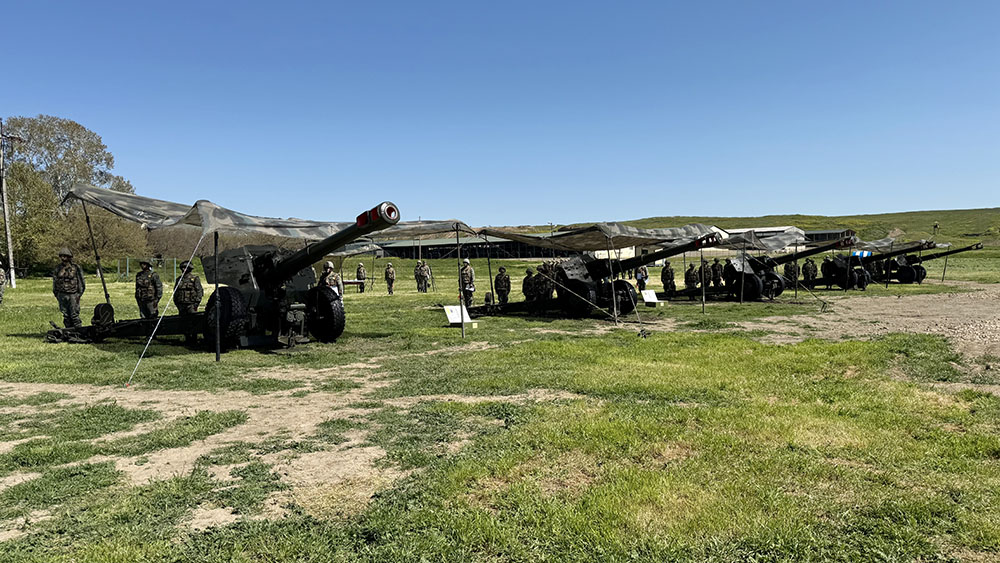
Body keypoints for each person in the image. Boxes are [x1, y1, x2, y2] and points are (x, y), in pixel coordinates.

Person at [53, 247, 85, 328]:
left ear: (69, 257)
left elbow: (81, 281)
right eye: (62, 256)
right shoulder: (58, 268)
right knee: (66, 315)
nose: (63, 258)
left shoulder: (76, 268)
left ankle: (79, 331)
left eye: (65, 256)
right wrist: (57, 294)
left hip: (73, 294)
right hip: (62, 294)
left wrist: (79, 294)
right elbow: (55, 281)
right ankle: (68, 330)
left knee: (74, 315)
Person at [174, 260, 204, 344]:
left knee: (193, 321)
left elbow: (199, 291)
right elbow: (175, 292)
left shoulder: (194, 279)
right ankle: (187, 337)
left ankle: (194, 338)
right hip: (181, 303)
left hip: (191, 304)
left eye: (185, 267)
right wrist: (176, 302)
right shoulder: (179, 279)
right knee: (183, 322)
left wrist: (196, 303)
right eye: (182, 268)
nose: (183, 269)